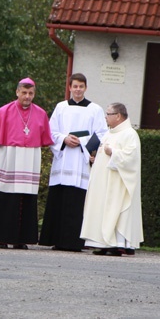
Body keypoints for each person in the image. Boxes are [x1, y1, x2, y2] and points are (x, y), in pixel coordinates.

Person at [39, 73, 108, 252]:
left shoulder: (95, 109)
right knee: (60, 200)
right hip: (63, 162)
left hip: (80, 161)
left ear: (85, 88)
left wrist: (82, 142)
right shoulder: (61, 107)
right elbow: (51, 131)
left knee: (77, 202)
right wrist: (64, 139)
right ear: (69, 88)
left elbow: (102, 134)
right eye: (75, 86)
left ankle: (75, 242)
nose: (78, 90)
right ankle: (56, 240)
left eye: (81, 86)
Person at [0, 77, 53, 249]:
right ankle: (2, 238)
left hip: (30, 159)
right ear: (17, 92)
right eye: (24, 92)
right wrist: (1, 158)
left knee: (26, 198)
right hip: (10, 158)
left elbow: (44, 139)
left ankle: (21, 239)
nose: (27, 96)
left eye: (30, 93)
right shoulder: (3, 111)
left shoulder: (41, 113)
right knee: (6, 196)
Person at [80, 103, 144, 256]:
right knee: (104, 210)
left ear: (118, 116)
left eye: (108, 114)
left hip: (119, 185)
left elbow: (131, 158)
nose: (105, 117)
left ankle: (118, 244)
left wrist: (113, 152)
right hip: (105, 183)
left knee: (117, 211)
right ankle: (103, 243)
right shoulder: (109, 133)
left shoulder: (130, 134)